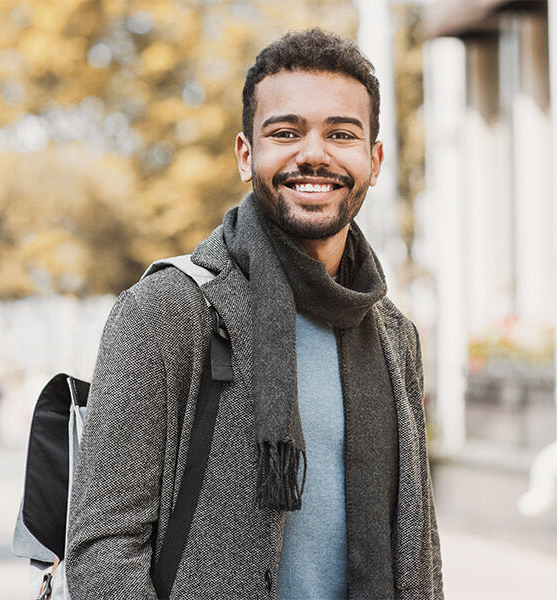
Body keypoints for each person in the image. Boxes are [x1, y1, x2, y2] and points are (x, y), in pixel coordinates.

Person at [64, 28, 442, 600]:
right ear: (247, 155)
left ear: (374, 158)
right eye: (286, 132)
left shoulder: (393, 336)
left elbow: (418, 542)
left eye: (341, 134)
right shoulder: (166, 312)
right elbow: (102, 549)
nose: (313, 154)